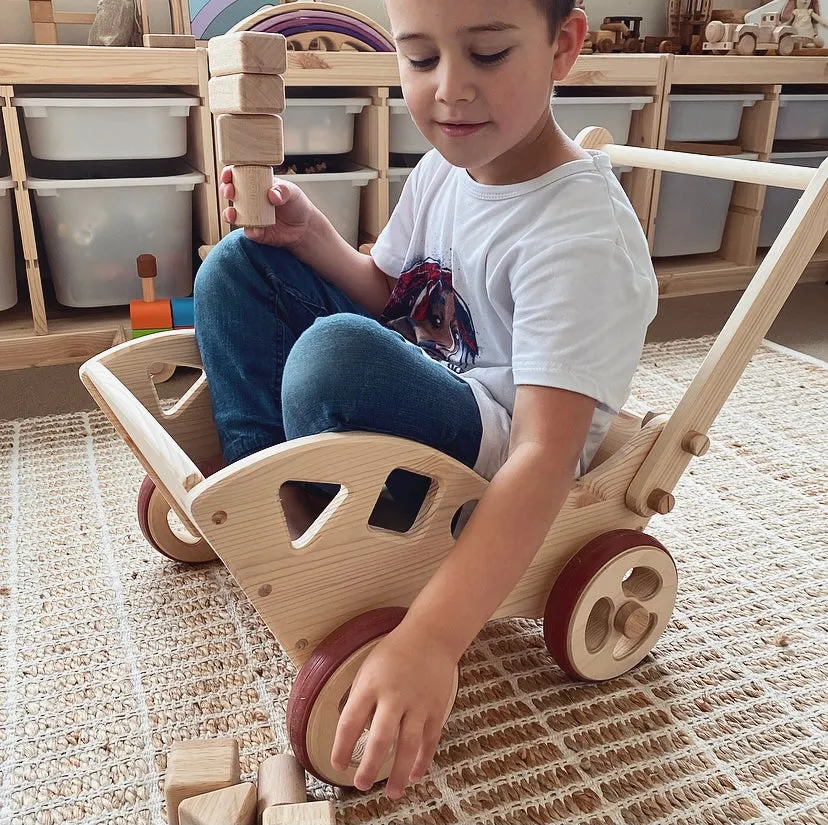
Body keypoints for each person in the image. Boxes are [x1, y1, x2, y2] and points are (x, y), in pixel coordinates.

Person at [194, 0, 658, 800]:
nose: (449, 90)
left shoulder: (578, 235)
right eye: (419, 59)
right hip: (420, 378)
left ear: (565, 46)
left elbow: (545, 454)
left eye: (485, 54)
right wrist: (313, 238)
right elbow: (390, 293)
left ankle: (297, 497)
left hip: (498, 446)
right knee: (237, 264)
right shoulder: (450, 164)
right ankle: (269, 488)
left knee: (333, 356)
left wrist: (435, 636)